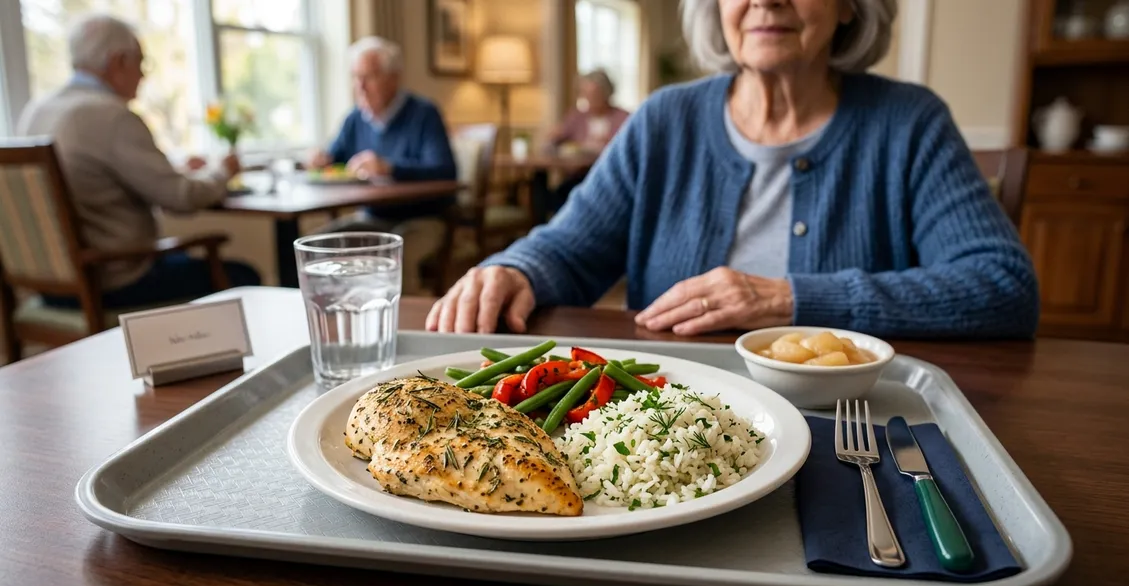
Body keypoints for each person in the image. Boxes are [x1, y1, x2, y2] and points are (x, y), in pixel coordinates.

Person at [427, 0, 1040, 340]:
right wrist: (515, 268)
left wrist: (788, 300)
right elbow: (572, 246)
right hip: (669, 427)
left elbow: (1002, 286)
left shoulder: (908, 123)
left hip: (851, 426)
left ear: (851, 7)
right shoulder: (666, 118)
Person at [16, 13, 260, 310]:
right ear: (119, 61)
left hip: (47, 286)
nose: (143, 75)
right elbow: (181, 199)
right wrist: (222, 171)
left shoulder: (37, 111)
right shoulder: (109, 115)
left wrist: (177, 171)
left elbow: (99, 178)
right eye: (141, 63)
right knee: (244, 277)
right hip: (113, 281)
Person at [309, 36, 457, 296]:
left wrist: (390, 168)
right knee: (316, 247)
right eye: (356, 77)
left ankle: (403, 329)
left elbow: (445, 171)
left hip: (423, 218)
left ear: (394, 78)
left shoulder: (424, 114)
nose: (361, 86)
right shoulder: (355, 118)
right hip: (372, 217)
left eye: (370, 77)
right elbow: (333, 159)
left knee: (395, 258)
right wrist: (320, 160)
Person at [533, 69, 632, 220]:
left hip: (608, 180)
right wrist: (553, 141)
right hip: (578, 176)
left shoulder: (623, 118)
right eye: (586, 94)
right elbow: (551, 140)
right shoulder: (577, 116)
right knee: (546, 192)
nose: (590, 99)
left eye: (595, 94)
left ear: (607, 93)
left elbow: (628, 150)